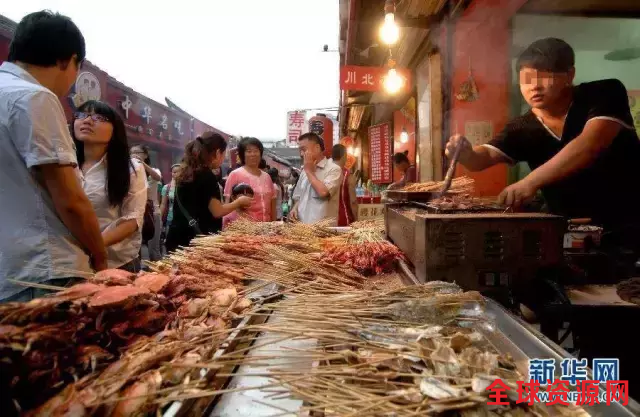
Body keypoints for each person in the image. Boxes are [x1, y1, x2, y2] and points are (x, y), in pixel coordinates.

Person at [445, 37, 640, 253]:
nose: (534, 87)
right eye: (526, 80)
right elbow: (483, 158)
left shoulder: (604, 92)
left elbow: (590, 144)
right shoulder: (522, 127)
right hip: (567, 235)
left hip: (630, 227)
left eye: (545, 76)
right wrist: (466, 153)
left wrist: (529, 183)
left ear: (569, 75)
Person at [0, 11, 108, 302]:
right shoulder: (35, 97)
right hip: (44, 270)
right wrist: (100, 258)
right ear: (67, 60)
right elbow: (70, 200)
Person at [72, 101, 147, 272]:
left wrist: (94, 247)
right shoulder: (64, 165)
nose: (87, 120)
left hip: (116, 263)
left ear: (115, 130)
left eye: (99, 117)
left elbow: (132, 220)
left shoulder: (131, 168)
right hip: (70, 263)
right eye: (81, 115)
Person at [165, 132, 252, 252]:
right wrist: (239, 202)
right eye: (224, 154)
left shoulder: (186, 171)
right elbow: (217, 211)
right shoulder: (206, 175)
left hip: (177, 238)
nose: (223, 159)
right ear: (217, 152)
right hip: (195, 242)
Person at [290, 133, 342, 224]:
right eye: (300, 150)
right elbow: (299, 197)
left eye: (304, 149)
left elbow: (323, 192)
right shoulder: (305, 171)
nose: (301, 154)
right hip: (303, 228)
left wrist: (309, 172)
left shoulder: (334, 169)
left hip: (323, 229)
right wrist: (295, 208)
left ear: (317, 148)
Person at [224, 137, 276, 222]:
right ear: (242, 155)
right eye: (249, 151)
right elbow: (228, 204)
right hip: (245, 227)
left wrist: (274, 224)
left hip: (267, 227)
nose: (253, 154)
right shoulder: (235, 175)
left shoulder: (267, 177)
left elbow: (272, 203)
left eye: (256, 151)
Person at [130, 144, 163, 261]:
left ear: (145, 155)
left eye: (137, 152)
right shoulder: (131, 171)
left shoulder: (153, 170)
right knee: (134, 249)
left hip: (152, 213)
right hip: (134, 214)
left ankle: (157, 270)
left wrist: (142, 164)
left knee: (153, 249)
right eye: (132, 153)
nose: (134, 155)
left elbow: (158, 177)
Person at [331, 144, 358, 226]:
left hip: (326, 219)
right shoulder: (348, 175)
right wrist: (356, 220)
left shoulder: (325, 172)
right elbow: (353, 202)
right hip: (344, 219)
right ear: (344, 156)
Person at [161, 164, 181, 234]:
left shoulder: (187, 187)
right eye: (174, 172)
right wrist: (160, 219)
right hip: (170, 218)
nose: (176, 174)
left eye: (179, 172)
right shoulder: (166, 188)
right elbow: (163, 204)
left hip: (184, 219)